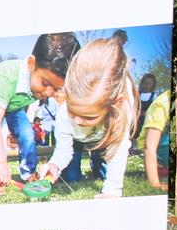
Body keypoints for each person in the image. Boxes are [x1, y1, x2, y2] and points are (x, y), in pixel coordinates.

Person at [0, 33, 80, 196]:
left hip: (11, 106)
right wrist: (2, 163)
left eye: (56, 88)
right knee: (0, 127)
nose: (49, 92)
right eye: (45, 83)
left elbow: (26, 116)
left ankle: (28, 173)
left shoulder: (38, 84)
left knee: (27, 132)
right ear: (31, 64)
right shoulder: (7, 76)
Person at [42, 32, 140, 198]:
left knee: (107, 173)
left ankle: (98, 165)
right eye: (73, 112)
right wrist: (55, 164)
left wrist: (112, 190)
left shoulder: (122, 107)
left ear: (115, 104)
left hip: (105, 136)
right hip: (79, 140)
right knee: (71, 176)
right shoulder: (64, 113)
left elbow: (118, 148)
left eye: (89, 117)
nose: (78, 121)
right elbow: (63, 149)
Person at [140, 89, 171, 191]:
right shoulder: (162, 104)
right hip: (161, 149)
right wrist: (155, 184)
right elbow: (150, 146)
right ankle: (160, 166)